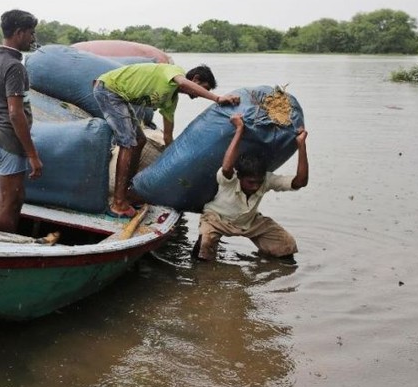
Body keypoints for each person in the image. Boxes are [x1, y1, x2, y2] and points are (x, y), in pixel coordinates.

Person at [93, 62, 240, 218]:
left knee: (139, 140)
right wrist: (217, 98)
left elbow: (168, 136)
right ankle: (118, 203)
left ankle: (128, 192)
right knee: (128, 143)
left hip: (120, 98)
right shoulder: (175, 71)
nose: (198, 95)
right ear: (195, 79)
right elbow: (183, 82)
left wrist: (176, 161)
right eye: (204, 88)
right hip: (108, 89)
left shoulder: (170, 100)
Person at [194, 113, 309, 263]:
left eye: (258, 182)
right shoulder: (230, 178)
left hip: (249, 222)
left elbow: (300, 182)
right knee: (204, 250)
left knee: (286, 246)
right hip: (217, 219)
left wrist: (301, 145)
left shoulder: (267, 179)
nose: (255, 187)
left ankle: (264, 263)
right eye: (250, 182)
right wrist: (239, 129)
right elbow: (227, 166)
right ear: (240, 176)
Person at [0, 9, 42, 233]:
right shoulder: (15, 66)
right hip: (9, 142)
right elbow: (16, 114)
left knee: (6, 199)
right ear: (18, 33)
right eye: (31, 33)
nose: (33, 38)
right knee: (13, 202)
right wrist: (33, 155)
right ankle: (2, 251)